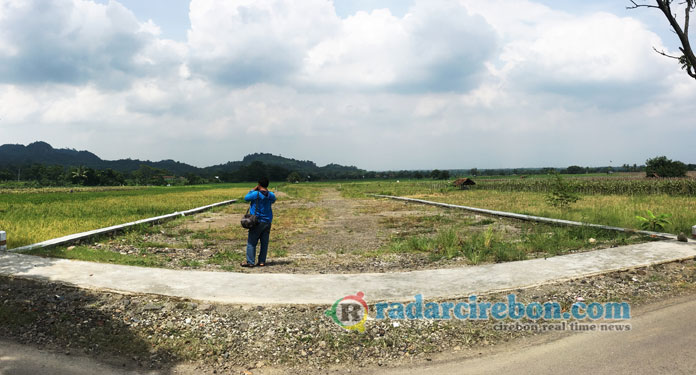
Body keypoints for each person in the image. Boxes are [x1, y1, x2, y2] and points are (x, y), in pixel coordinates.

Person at [241, 177, 276, 267]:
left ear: (259, 184)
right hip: (267, 221)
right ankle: (262, 261)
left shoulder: (255, 194)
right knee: (264, 243)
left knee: (252, 242)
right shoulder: (271, 195)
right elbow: (273, 200)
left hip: (256, 221)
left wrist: (253, 189)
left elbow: (246, 198)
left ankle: (250, 262)